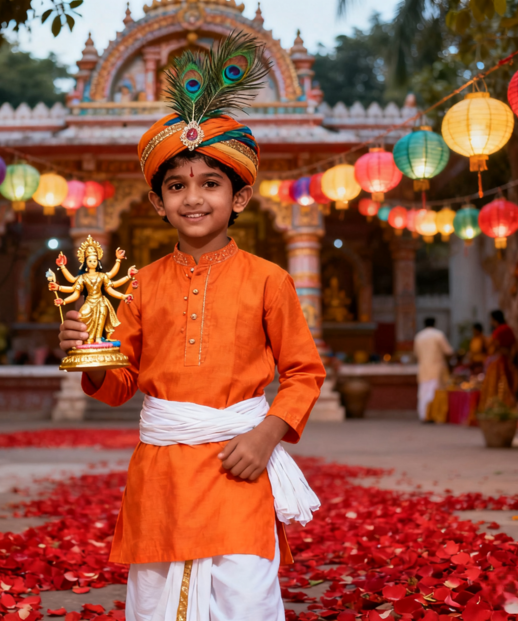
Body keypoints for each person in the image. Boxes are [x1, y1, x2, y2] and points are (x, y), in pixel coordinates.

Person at [59, 34, 325, 621]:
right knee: (158, 602)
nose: (193, 198)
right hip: (163, 476)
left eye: (210, 183)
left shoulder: (269, 280)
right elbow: (120, 384)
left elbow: (305, 373)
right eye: (176, 186)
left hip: (240, 464)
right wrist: (91, 356)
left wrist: (265, 437)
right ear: (157, 203)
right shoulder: (138, 284)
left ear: (241, 196)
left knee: (245, 598)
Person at [413, 317, 454, 422]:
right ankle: (432, 414)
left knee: (423, 392)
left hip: (423, 368)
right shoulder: (438, 335)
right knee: (434, 391)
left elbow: (416, 354)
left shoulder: (419, 336)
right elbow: (449, 351)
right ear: (434, 323)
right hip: (436, 368)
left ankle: (424, 415)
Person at [480, 309, 518, 411]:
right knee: (508, 383)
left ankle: (495, 407)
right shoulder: (508, 329)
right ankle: (508, 407)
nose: (490, 322)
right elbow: (514, 346)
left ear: (494, 320)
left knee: (495, 385)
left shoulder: (499, 330)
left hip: (498, 361)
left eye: (491, 320)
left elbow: (491, 345)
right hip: (507, 360)